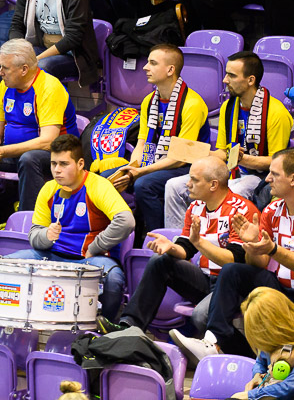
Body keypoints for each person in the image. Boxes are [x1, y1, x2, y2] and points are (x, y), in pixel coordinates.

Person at [96, 156, 259, 334]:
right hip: (205, 279)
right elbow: (186, 249)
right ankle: (129, 326)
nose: (188, 184)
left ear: (213, 185)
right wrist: (171, 247)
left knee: (200, 316)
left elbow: (233, 261)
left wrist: (199, 242)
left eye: (194, 180)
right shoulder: (195, 207)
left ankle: (238, 348)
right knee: (160, 260)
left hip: (232, 286)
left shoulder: (241, 210)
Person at [170, 149, 294, 361]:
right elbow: (260, 263)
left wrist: (272, 249)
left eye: (275, 174)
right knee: (232, 270)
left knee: (202, 314)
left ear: (292, 179)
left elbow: (271, 251)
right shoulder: (272, 210)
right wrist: (253, 245)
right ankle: (213, 341)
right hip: (278, 287)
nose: (268, 179)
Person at [7, 134, 133, 320]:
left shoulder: (99, 186)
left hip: (90, 259)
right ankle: (16, 320)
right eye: (53, 164)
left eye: (64, 164)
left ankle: (106, 327)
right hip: (52, 256)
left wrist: (94, 247)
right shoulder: (49, 189)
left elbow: (126, 221)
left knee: (114, 279)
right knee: (6, 265)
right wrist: (46, 235)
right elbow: (34, 236)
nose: (57, 170)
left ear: (80, 164)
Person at [163, 52, 292, 230]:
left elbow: (276, 162)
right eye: (226, 74)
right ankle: (179, 240)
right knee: (174, 186)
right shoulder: (228, 107)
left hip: (259, 177)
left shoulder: (277, 112)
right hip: (230, 171)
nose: (225, 80)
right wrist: (193, 151)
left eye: (231, 75)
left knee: (234, 193)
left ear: (250, 80)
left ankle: (224, 242)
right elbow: (223, 152)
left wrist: (243, 159)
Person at [111, 44, 210, 235]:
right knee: (105, 178)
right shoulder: (149, 100)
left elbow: (180, 158)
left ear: (170, 70)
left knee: (144, 185)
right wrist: (132, 168)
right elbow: (142, 143)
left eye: (153, 63)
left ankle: (156, 237)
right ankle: (122, 237)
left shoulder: (193, 104)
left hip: (187, 166)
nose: (145, 67)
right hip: (154, 161)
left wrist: (139, 172)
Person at [0, 39, 79, 211]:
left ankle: (28, 219)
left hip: (57, 155)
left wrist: (2, 151)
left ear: (24, 69)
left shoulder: (49, 87)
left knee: (29, 159)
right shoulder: (5, 85)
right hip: (11, 152)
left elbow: (48, 142)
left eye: (5, 68)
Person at [231, 287, 294, 400]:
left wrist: (250, 395)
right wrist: (257, 374)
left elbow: (289, 387)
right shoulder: (270, 341)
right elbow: (260, 360)